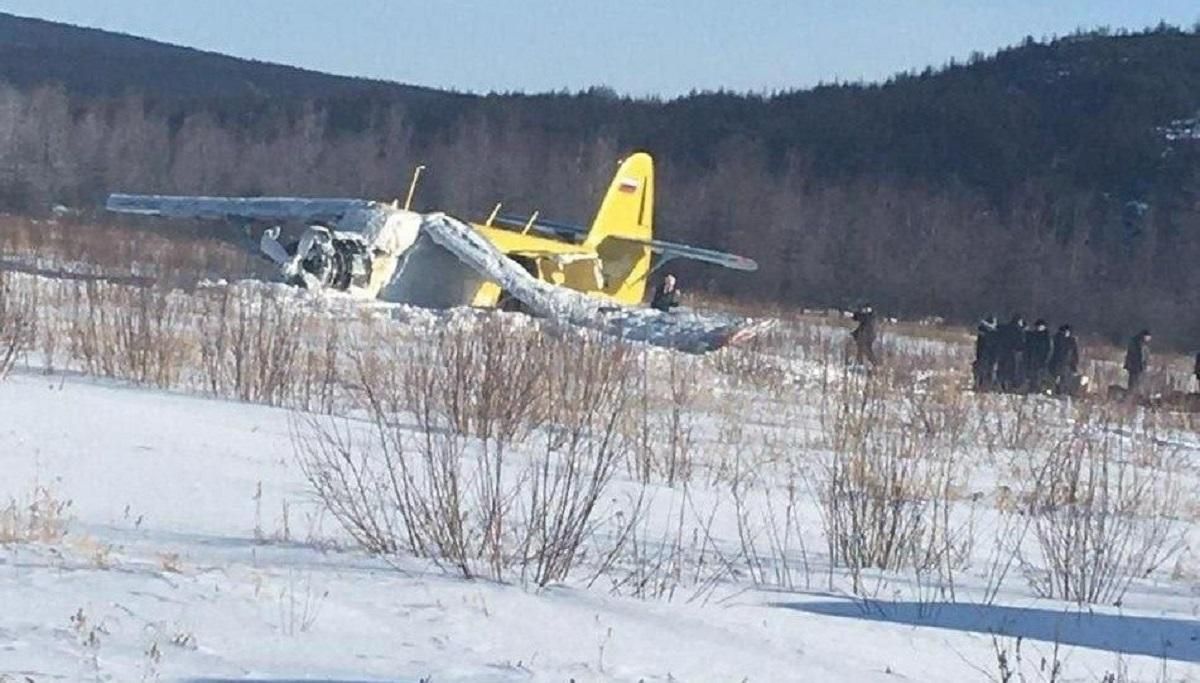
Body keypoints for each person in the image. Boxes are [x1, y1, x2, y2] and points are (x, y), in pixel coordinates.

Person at [995, 314, 1026, 392]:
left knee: (1002, 368)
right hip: (1013, 353)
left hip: (1003, 352)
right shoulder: (1018, 330)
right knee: (1012, 370)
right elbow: (1020, 343)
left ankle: (1001, 384)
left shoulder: (1005, 328)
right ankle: (1010, 386)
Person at [1048, 324, 1080, 395]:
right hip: (1059, 362)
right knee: (1058, 377)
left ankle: (1064, 391)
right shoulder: (1058, 339)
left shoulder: (1071, 341)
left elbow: (1074, 353)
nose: (1067, 333)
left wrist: (1075, 363)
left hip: (1067, 363)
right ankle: (1058, 390)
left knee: (1065, 378)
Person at [1023, 319, 1052, 393]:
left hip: (1041, 359)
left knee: (1039, 375)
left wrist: (1045, 359)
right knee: (1032, 375)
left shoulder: (1046, 337)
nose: (1039, 328)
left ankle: (1039, 389)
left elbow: (1049, 349)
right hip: (1032, 358)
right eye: (1038, 326)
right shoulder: (1033, 335)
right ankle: (1032, 388)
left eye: (1041, 326)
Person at [972, 316, 998, 391]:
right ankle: (984, 386)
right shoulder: (992, 333)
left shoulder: (982, 333)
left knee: (981, 371)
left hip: (982, 355)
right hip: (988, 355)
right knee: (987, 371)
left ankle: (980, 385)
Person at [1124, 329, 1151, 395]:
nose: (1149, 339)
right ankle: (1132, 395)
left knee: (1136, 381)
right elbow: (1136, 355)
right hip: (1135, 366)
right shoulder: (1138, 343)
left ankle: (1133, 394)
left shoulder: (1139, 342)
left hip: (1136, 366)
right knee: (1134, 382)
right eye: (1148, 337)